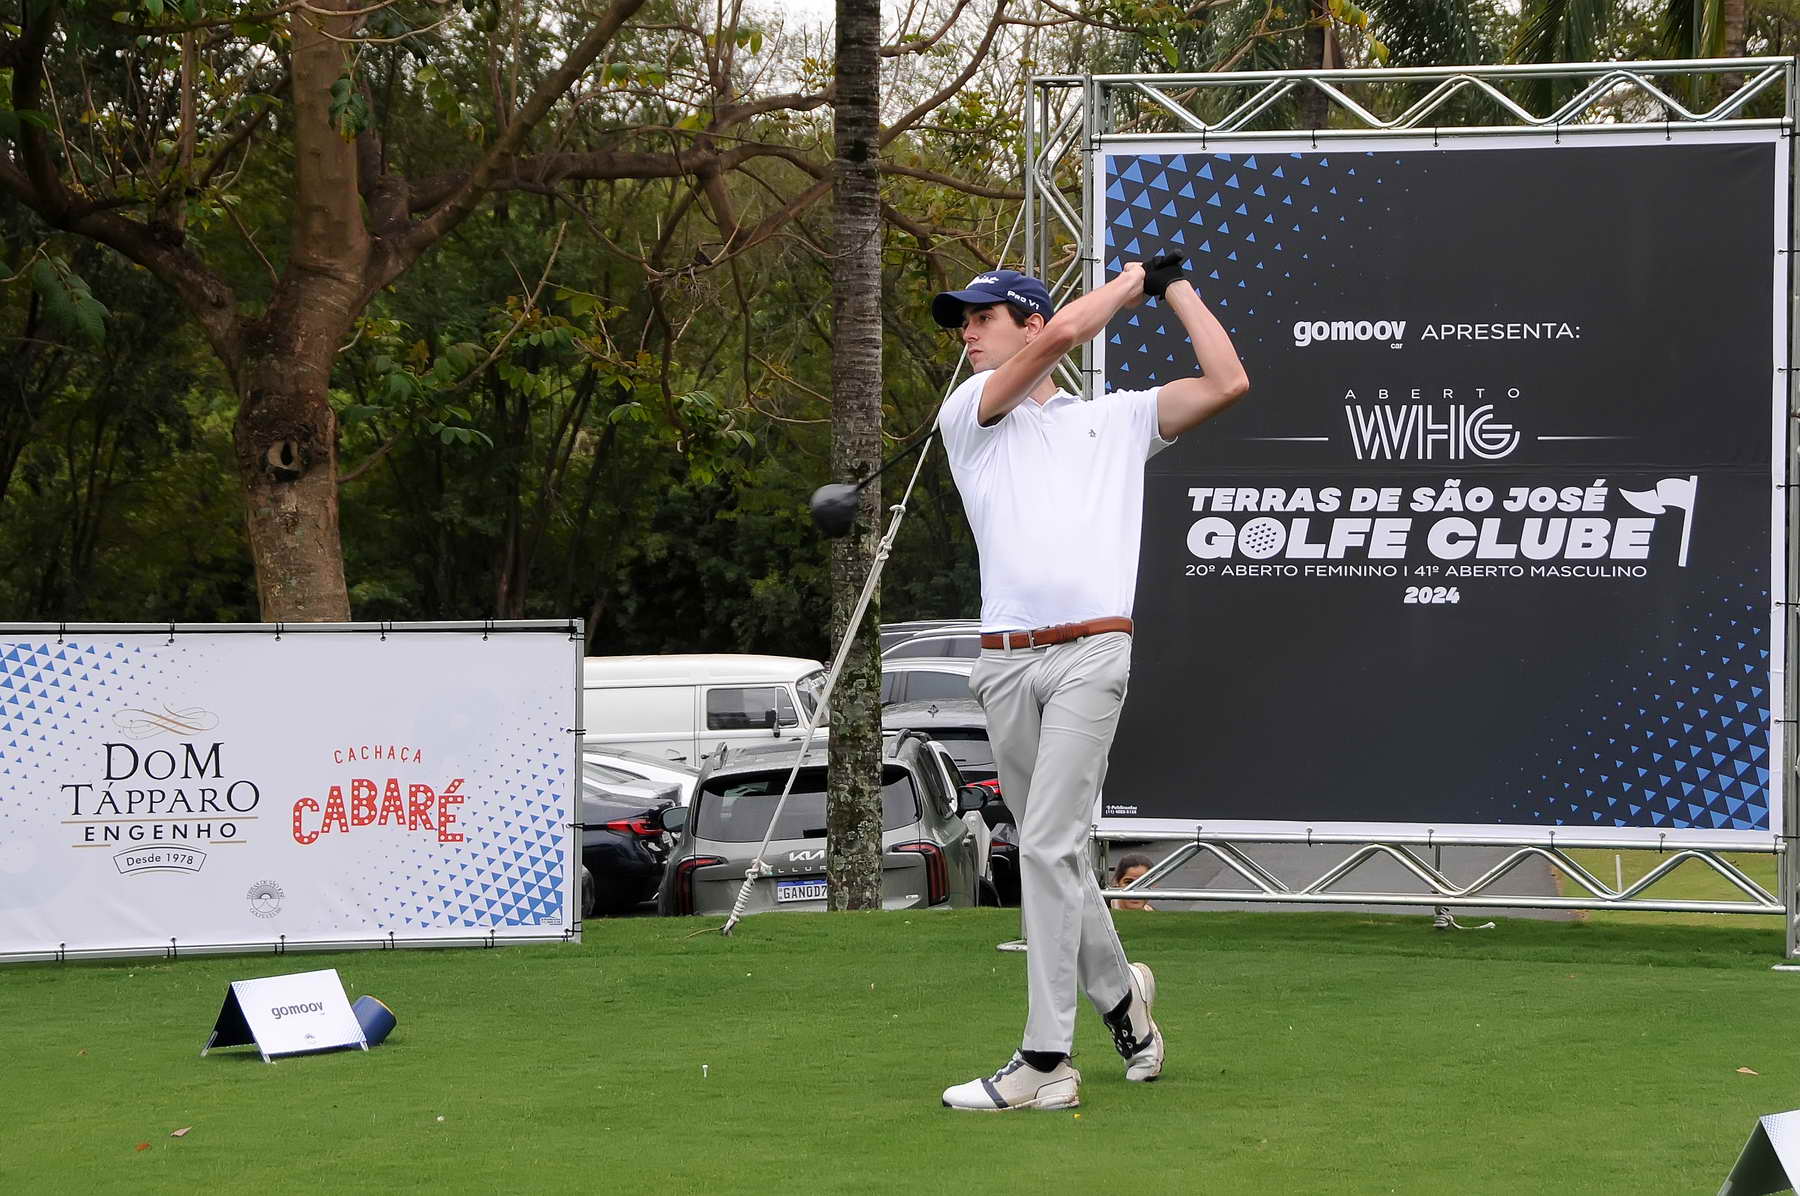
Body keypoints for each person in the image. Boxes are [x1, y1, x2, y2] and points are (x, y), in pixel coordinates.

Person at [932, 261, 1249, 1112]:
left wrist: (1174, 289)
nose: (966, 333)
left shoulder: (1117, 418)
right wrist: (1132, 281)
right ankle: (1124, 1002)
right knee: (1058, 851)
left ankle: (1046, 1060)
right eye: (962, 322)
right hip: (1005, 664)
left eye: (982, 318)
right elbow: (1071, 332)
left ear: (1028, 322)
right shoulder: (970, 411)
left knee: (1044, 844)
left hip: (1092, 655)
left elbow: (1228, 380)